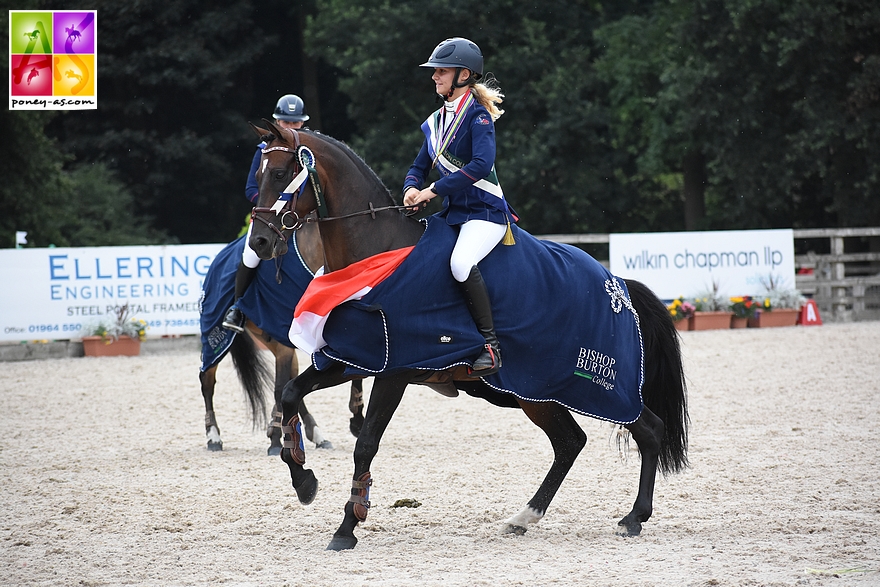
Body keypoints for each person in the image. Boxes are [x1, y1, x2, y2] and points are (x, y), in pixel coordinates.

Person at [402, 37, 514, 376]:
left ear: (463, 75)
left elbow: (481, 165)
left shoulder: (478, 118)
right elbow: (418, 167)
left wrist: (432, 191)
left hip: (485, 212)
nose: (434, 77)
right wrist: (410, 188)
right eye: (434, 72)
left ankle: (491, 347)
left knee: (461, 263)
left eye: (441, 72)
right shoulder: (436, 122)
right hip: (455, 214)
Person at [222, 94, 310, 333]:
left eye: (295, 123)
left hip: (307, 216)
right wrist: (269, 205)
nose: (290, 127)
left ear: (302, 123)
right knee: (251, 254)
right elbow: (252, 188)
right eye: (285, 123)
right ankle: (238, 308)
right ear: (276, 122)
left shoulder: (311, 149)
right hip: (273, 216)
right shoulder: (265, 149)